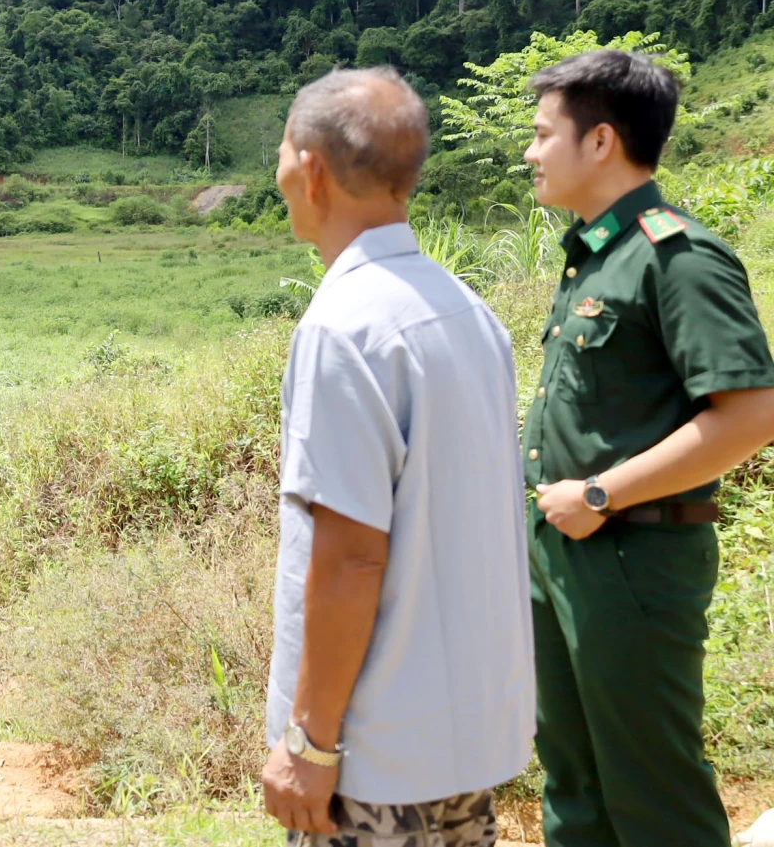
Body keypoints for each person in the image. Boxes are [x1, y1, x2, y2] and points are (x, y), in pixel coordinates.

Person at [263, 67, 534, 846]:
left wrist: (310, 742)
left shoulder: (342, 327)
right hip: (465, 736)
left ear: (309, 169)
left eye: (282, 148)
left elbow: (350, 557)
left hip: (374, 753)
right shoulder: (465, 308)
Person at [522, 49, 774, 846]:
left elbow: (751, 414)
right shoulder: (594, 255)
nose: (529, 152)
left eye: (541, 133)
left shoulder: (678, 256)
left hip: (631, 559)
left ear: (600, 142)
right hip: (560, 555)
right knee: (574, 783)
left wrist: (600, 493)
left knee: (653, 793)